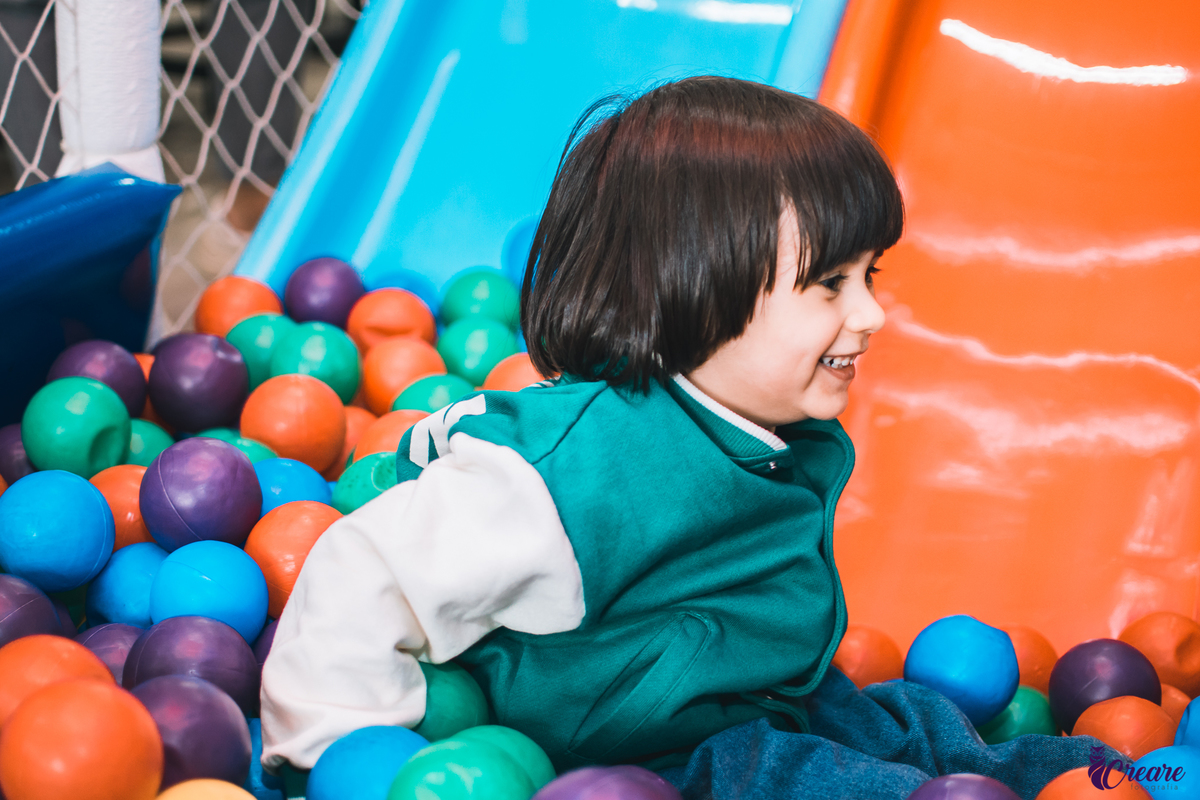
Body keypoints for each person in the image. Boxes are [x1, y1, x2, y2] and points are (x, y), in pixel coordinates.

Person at [260, 76, 1116, 798]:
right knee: (805, 774)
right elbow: (363, 566)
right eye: (829, 284)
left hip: (759, 700)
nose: (871, 314)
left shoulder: (772, 431)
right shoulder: (572, 471)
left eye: (870, 275)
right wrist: (335, 753)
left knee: (914, 727)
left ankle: (1134, 777)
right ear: (692, 288)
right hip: (656, 758)